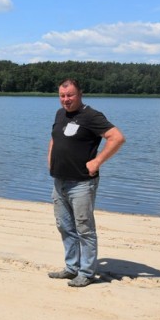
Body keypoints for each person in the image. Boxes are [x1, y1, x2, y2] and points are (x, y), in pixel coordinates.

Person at [47, 78, 125, 287]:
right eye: (62, 96)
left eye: (70, 95)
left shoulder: (91, 116)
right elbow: (55, 138)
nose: (66, 100)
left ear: (80, 94)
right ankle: (72, 268)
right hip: (59, 181)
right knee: (64, 226)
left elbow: (116, 137)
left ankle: (87, 273)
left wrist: (98, 161)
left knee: (84, 229)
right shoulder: (60, 114)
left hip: (81, 183)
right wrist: (50, 158)